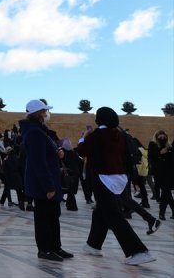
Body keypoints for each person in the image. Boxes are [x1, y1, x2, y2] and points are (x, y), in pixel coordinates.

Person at [78, 107, 155, 266]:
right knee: (102, 211)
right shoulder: (120, 134)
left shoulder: (96, 135)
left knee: (114, 216)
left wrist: (82, 138)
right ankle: (93, 245)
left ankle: (138, 251)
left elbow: (82, 151)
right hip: (120, 177)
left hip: (103, 178)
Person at [19, 100, 72, 262]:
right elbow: (38, 162)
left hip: (49, 179)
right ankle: (45, 249)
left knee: (53, 215)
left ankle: (55, 247)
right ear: (38, 113)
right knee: (44, 218)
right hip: (42, 183)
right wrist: (48, 186)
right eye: (44, 111)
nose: (46, 114)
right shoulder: (34, 132)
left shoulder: (40, 130)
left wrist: (57, 152)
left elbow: (45, 153)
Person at [149, 130, 173, 220]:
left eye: (164, 136)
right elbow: (151, 156)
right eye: (160, 136)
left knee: (166, 192)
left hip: (169, 173)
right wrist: (160, 153)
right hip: (159, 173)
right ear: (156, 137)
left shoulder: (169, 146)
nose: (162, 138)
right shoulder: (152, 144)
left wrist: (169, 151)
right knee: (167, 193)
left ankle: (161, 213)